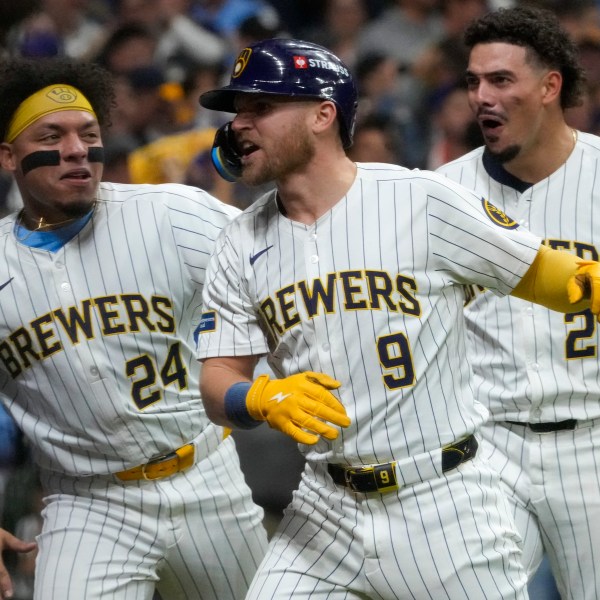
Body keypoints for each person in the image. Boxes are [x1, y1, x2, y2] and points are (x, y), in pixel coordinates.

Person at [194, 37, 600, 599]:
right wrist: (259, 397)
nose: (240, 124)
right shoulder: (240, 242)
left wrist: (582, 284)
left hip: (442, 502)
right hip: (322, 508)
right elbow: (217, 380)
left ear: (322, 114)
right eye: (238, 111)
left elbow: (547, 275)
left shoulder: (419, 199)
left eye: (261, 107)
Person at [0, 56, 267, 600]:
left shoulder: (173, 214)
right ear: (9, 156)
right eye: (52, 135)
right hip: (88, 504)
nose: (76, 149)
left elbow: (285, 283)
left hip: (206, 477)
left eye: (89, 134)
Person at [435, 6, 600, 599]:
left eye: (501, 80)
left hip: (593, 444)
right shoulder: (442, 194)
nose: (482, 96)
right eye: (474, 81)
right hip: (489, 447)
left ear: (550, 85)